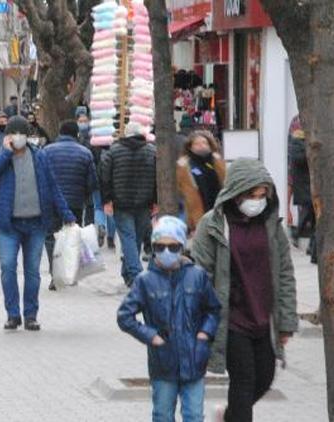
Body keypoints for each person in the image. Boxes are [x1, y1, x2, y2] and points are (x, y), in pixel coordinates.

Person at [191, 158, 298, 422]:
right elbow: (199, 274)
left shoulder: (272, 226)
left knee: (265, 377)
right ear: (236, 192)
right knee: (244, 381)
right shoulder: (213, 224)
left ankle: (228, 416)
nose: (257, 201)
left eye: (263, 195)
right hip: (231, 319)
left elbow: (285, 273)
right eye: (252, 194)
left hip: (263, 317)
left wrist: (285, 321)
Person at [118, 216, 222, 422]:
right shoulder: (145, 281)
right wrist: (151, 336)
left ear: (182, 247)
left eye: (173, 247)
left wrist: (203, 334)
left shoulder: (197, 276)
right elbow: (124, 316)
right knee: (162, 415)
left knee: (193, 415)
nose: (166, 252)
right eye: (160, 247)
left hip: (194, 360)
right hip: (163, 363)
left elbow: (213, 309)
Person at [0, 116, 76, 331]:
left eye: (22, 133)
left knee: (33, 271)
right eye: (13, 134)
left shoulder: (40, 157)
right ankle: (12, 314)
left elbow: (53, 187)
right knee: (7, 267)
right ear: (7, 137)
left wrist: (67, 214)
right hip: (8, 224)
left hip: (36, 224)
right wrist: (5, 153)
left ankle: (31, 315)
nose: (18, 138)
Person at [100, 123, 157, 286]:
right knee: (136, 239)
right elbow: (157, 178)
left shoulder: (114, 151)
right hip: (144, 202)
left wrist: (107, 199)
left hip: (121, 201)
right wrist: (155, 200)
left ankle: (135, 274)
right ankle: (130, 273)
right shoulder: (152, 151)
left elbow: (105, 177)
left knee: (128, 238)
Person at [43, 120, 98, 290]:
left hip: (51, 202)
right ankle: (69, 274)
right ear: (77, 134)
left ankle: (54, 273)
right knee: (72, 239)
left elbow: (40, 177)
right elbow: (92, 182)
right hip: (75, 202)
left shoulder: (47, 151)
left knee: (51, 237)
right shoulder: (85, 153)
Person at [176, 130, 226, 233]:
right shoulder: (184, 164)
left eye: (204, 143)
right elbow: (181, 189)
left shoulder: (216, 160)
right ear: (190, 147)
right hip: (197, 211)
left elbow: (225, 180)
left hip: (217, 208)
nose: (202, 146)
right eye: (197, 144)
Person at [288, 119, 315, 262]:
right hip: (304, 184)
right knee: (309, 212)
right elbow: (300, 160)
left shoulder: (299, 143)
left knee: (313, 215)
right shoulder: (299, 143)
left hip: (305, 183)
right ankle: (298, 234)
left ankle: (311, 245)